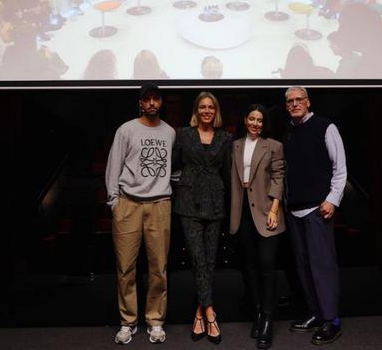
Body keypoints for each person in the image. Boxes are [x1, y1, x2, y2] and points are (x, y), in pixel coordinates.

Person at [105, 83, 176, 345]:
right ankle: (128, 322)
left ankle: (155, 321)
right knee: (126, 268)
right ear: (140, 103)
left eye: (156, 99)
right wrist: (114, 201)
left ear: (161, 102)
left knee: (159, 267)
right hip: (128, 204)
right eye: (147, 100)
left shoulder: (169, 132)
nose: (152, 104)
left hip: (159, 204)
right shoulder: (126, 129)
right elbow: (114, 165)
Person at [283, 86, 346, 345]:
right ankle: (316, 313)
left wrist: (332, 200)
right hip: (295, 210)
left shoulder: (325, 127)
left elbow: (340, 168)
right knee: (303, 266)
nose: (295, 104)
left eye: (299, 100)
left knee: (322, 267)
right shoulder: (288, 132)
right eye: (290, 101)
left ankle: (332, 321)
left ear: (308, 102)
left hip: (318, 210)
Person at [172, 92, 233, 344]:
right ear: (196, 111)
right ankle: (210, 313)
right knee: (198, 259)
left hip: (216, 203)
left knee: (210, 259)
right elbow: (173, 164)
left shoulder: (226, 137)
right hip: (189, 203)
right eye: (202, 107)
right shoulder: (184, 134)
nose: (206, 111)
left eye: (211, 107)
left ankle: (198, 311)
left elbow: (228, 173)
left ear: (215, 111)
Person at [229, 104, 285, 349]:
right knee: (249, 268)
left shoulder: (273, 145)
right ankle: (259, 313)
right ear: (245, 120)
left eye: (259, 120)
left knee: (267, 268)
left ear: (264, 124)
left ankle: (268, 321)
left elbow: (279, 177)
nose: (255, 123)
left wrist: (274, 210)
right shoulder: (234, 146)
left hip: (266, 213)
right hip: (242, 215)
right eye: (251, 119)